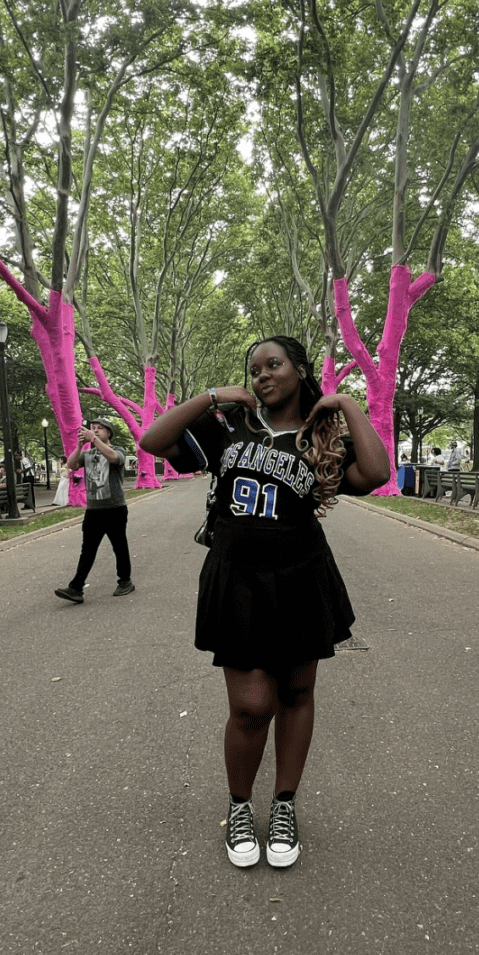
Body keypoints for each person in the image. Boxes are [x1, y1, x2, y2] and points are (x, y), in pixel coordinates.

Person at [139, 335, 390, 870]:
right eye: (254, 369)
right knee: (252, 706)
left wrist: (346, 404)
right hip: (238, 578)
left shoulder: (321, 435)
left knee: (297, 691)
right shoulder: (231, 426)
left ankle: (283, 805)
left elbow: (376, 474)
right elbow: (151, 440)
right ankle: (238, 806)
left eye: (273, 365)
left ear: (298, 369)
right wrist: (211, 396)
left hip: (302, 575)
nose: (262, 376)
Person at [54, 417, 135, 604]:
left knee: (119, 547)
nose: (95, 431)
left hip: (115, 508)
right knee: (88, 550)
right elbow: (72, 465)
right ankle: (76, 588)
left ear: (108, 433)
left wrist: (94, 440)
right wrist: (79, 446)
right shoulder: (88, 454)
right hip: (94, 510)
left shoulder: (118, 450)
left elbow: (114, 459)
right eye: (92, 428)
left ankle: (125, 581)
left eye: (100, 429)